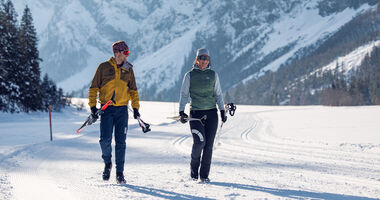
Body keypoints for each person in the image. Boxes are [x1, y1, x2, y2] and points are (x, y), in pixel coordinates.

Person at [88, 40, 141, 184]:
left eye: (127, 53)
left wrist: (136, 108)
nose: (127, 56)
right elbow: (93, 88)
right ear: (117, 53)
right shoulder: (103, 67)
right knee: (104, 140)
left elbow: (133, 90)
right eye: (125, 53)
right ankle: (107, 162)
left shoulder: (128, 69)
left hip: (122, 110)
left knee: (121, 142)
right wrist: (93, 107)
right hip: (107, 109)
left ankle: (120, 173)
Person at [178, 48, 227, 183]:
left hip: (212, 113)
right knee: (199, 142)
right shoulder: (190, 75)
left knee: (209, 146)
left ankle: (204, 176)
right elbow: (184, 94)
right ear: (197, 59)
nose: (204, 61)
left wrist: (222, 110)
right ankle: (194, 172)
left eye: (206, 58)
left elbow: (218, 94)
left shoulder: (213, 75)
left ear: (209, 60)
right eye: (201, 58)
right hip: (196, 114)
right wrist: (181, 111)